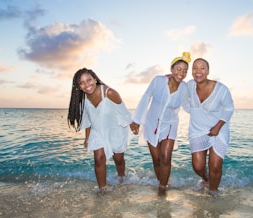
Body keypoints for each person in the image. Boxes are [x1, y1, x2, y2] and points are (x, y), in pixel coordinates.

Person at [130, 52, 191, 195]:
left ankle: (162, 188)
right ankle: (161, 181)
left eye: (184, 71)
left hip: (170, 124)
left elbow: (188, 107)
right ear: (171, 69)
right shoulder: (158, 80)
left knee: (165, 156)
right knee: (156, 159)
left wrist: (204, 107)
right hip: (151, 124)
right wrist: (137, 120)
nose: (181, 73)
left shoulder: (184, 88)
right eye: (178, 69)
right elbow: (146, 97)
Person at [67, 68, 133, 193]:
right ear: (78, 86)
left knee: (118, 159)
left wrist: (133, 125)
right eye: (82, 83)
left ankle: (121, 179)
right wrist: (87, 138)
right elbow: (88, 119)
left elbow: (125, 113)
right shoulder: (84, 98)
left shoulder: (110, 93)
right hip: (97, 131)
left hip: (116, 130)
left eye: (89, 80)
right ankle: (102, 189)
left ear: (95, 79)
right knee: (98, 159)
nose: (87, 85)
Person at [184, 58, 234, 196]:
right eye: (195, 68)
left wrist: (218, 126)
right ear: (192, 71)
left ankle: (213, 192)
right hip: (197, 130)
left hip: (218, 130)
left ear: (208, 71)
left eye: (202, 68)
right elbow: (178, 89)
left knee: (215, 165)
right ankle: (206, 179)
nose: (198, 71)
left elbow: (229, 109)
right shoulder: (189, 85)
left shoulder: (221, 89)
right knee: (198, 166)